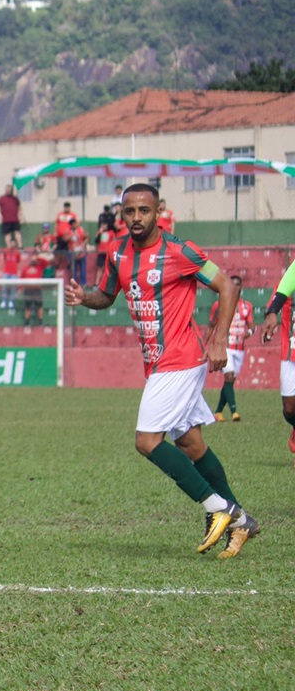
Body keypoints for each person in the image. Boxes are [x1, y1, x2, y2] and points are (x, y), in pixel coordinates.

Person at [64, 183, 258, 559]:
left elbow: (226, 288)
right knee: (190, 444)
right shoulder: (117, 252)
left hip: (181, 359)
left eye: (144, 211)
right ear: (122, 214)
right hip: (156, 362)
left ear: (158, 212)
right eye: (130, 211)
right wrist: (83, 297)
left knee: (147, 441)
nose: (136, 218)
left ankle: (221, 509)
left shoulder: (178, 251)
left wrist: (219, 340)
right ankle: (242, 521)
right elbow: (106, 296)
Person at [258, 258, 295, 466]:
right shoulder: (291, 275)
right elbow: (278, 297)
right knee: (289, 409)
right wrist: (271, 314)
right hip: (291, 350)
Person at [207, 275, 253, 422]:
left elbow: (252, 326)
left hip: (239, 348)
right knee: (229, 376)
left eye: (238, 284)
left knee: (230, 381)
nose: (235, 287)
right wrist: (205, 344)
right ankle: (235, 412)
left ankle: (218, 411)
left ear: (241, 287)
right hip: (225, 346)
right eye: (232, 284)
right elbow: (211, 325)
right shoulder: (219, 304)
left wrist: (249, 332)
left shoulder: (247, 306)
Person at [0, 184, 22, 249]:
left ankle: (20, 246)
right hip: (6, 219)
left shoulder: (15, 198)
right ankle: (8, 247)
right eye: (8, 189)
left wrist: (20, 215)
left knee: (17, 232)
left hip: (15, 219)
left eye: (10, 190)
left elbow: (19, 207)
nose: (9, 191)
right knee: (7, 234)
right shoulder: (2, 198)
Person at [54, 201, 77, 272]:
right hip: (60, 237)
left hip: (68, 237)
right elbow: (56, 224)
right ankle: (56, 264)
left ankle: (70, 264)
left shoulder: (72, 215)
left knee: (68, 250)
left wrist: (71, 233)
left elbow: (75, 225)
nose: (66, 209)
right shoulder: (60, 214)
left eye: (68, 207)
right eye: (65, 207)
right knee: (58, 250)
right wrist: (55, 232)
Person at [68, 219, 90, 287]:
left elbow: (87, 237)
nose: (74, 225)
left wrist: (83, 245)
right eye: (72, 224)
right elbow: (64, 239)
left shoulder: (81, 229)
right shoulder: (69, 231)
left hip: (81, 252)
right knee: (73, 269)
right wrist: (71, 236)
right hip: (72, 253)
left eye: (74, 223)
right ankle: (74, 283)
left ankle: (83, 284)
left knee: (82, 268)